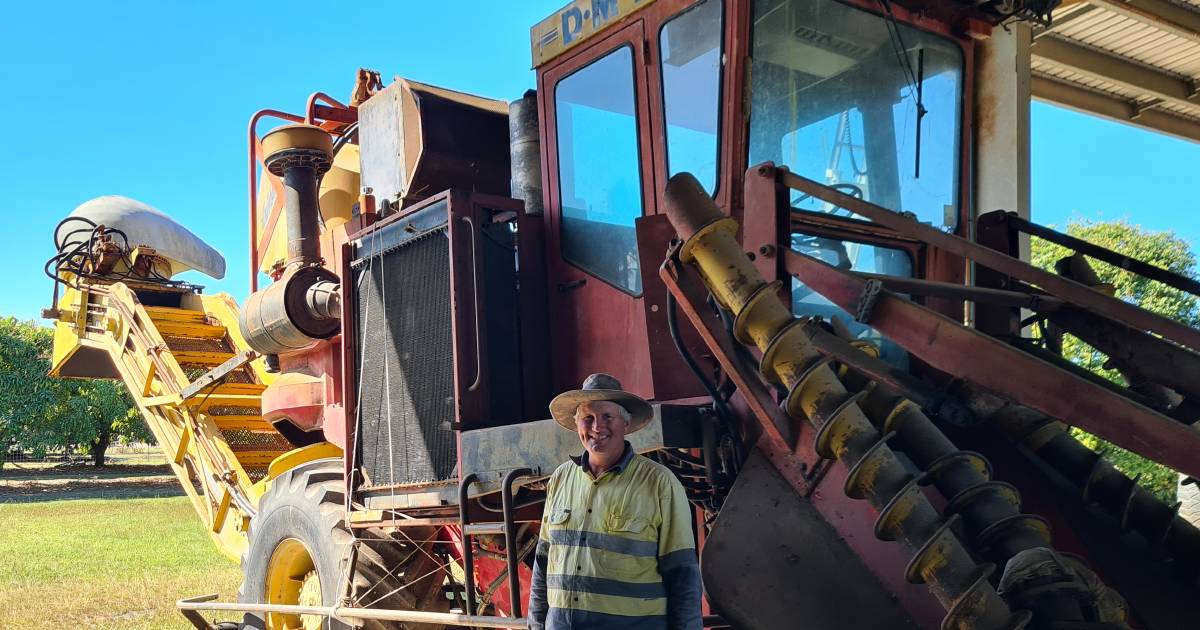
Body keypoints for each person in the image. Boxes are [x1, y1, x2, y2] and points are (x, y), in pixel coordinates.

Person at [528, 373, 702, 630]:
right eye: (588, 418)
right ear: (577, 426)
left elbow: (682, 575)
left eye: (607, 417)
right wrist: (535, 624)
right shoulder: (560, 478)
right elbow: (543, 562)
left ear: (626, 424)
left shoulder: (659, 483)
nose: (597, 427)